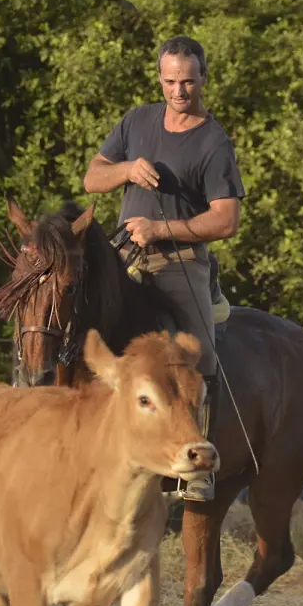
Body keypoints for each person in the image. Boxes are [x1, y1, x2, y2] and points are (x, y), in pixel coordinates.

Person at [83, 35, 245, 502]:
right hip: (121, 258)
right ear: (160, 78)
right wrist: (127, 170)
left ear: (203, 80)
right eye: (171, 81)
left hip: (178, 263)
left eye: (188, 82)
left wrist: (161, 229)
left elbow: (226, 219)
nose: (179, 92)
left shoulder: (214, 142)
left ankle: (196, 472)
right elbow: (94, 178)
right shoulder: (137, 120)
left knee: (200, 356)